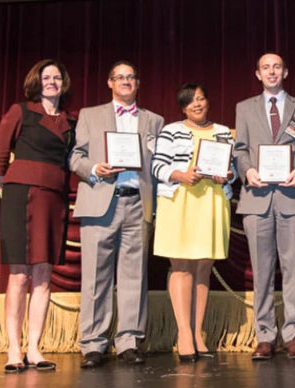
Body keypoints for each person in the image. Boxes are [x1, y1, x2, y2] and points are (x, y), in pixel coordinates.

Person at [70, 61, 164, 367]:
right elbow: (75, 156)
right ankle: (93, 344)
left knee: (134, 277)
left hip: (138, 204)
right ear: (110, 83)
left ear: (138, 83)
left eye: (130, 77)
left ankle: (128, 341)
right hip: (100, 201)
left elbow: (159, 164)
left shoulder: (154, 120)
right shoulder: (89, 114)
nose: (125, 81)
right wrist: (94, 169)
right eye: (119, 77)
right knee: (96, 277)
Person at [0, 59, 75, 373]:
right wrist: (8, 188)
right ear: (36, 82)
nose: (51, 82)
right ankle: (13, 349)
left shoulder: (71, 122)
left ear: (63, 83)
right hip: (20, 196)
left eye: (57, 77)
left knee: (43, 276)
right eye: (46, 77)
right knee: (20, 275)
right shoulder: (21, 111)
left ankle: (35, 349)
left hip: (54, 199)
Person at [233, 53, 295, 360]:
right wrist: (247, 171)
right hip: (256, 200)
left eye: (277, 66)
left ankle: (293, 336)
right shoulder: (244, 108)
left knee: (293, 270)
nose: (271, 71)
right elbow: (240, 149)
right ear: (257, 74)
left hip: (293, 199)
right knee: (262, 271)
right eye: (266, 67)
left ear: (285, 71)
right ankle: (265, 336)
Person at [152, 83, 236, 362]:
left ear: (207, 101)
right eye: (191, 101)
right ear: (183, 107)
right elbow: (157, 166)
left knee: (203, 266)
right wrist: (180, 175)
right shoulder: (170, 130)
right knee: (181, 266)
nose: (197, 104)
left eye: (201, 98)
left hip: (212, 201)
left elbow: (232, 169)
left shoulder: (223, 132)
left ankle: (198, 331)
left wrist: (227, 175)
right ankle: (183, 333)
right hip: (179, 201)